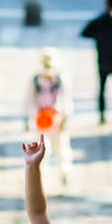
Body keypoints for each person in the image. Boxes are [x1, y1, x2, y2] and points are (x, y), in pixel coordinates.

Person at [27, 50, 73, 185]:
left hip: (57, 120)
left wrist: (65, 118)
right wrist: (30, 119)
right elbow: (29, 101)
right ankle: (41, 177)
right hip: (41, 120)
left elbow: (67, 100)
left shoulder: (61, 80)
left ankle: (65, 173)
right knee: (42, 150)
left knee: (61, 148)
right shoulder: (36, 81)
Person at [81, 0, 112, 122]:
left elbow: (84, 32)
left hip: (102, 59)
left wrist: (98, 36)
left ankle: (102, 115)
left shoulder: (98, 21)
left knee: (102, 89)